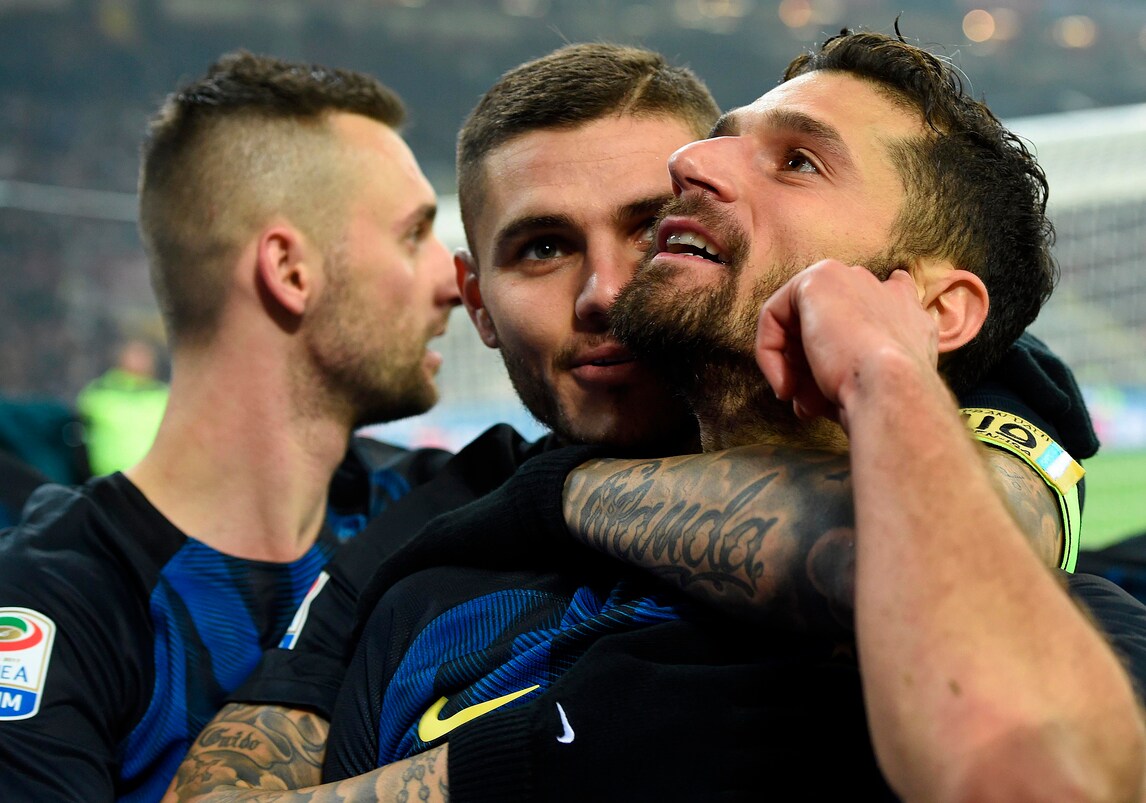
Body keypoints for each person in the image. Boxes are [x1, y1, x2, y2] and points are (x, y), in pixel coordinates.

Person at [164, 40, 1127, 801]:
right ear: (478, 302)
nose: (605, 292)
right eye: (543, 248)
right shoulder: (431, 565)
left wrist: (885, 370)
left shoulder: (1066, 628)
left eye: (647, 221)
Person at [0, 51, 460, 800]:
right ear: (291, 271)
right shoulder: (51, 605)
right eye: (414, 235)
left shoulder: (437, 510)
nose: (453, 280)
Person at [76, 337, 170, 476]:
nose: (138, 361)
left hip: (154, 478)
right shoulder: (99, 393)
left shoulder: (164, 396)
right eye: (134, 355)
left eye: (143, 355)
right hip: (105, 478)